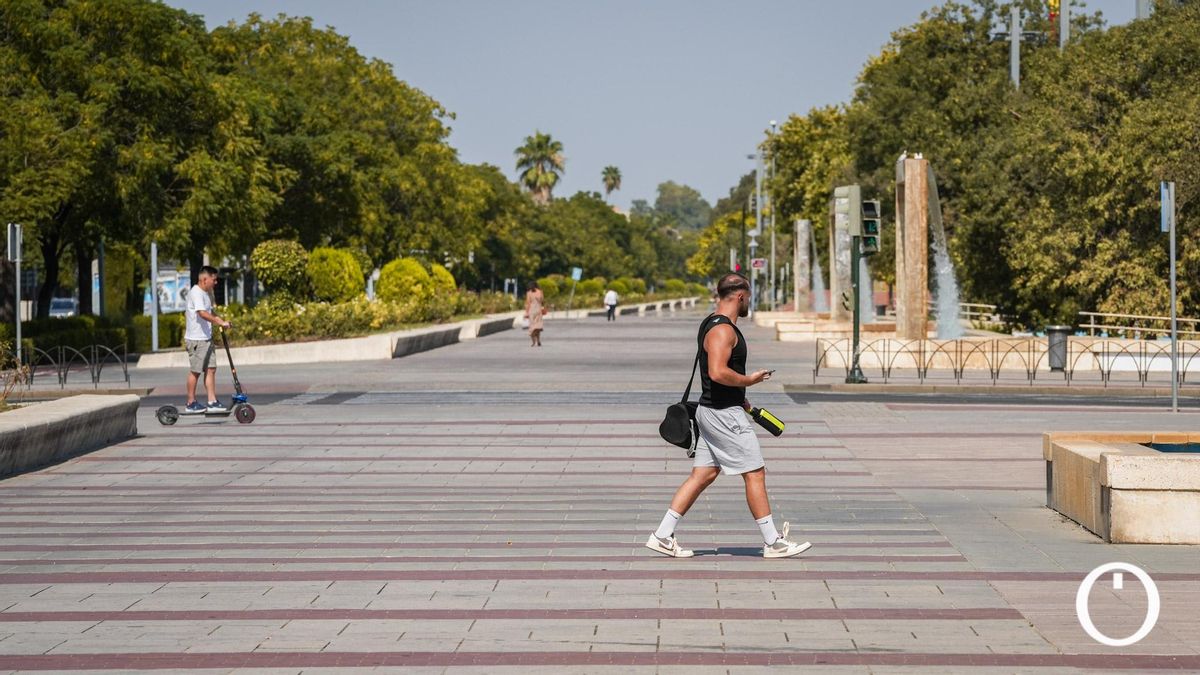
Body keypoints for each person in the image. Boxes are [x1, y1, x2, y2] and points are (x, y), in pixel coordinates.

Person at [646, 272, 811, 559]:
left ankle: (662, 534)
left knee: (704, 474)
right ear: (740, 296)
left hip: (716, 410)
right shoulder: (723, 330)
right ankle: (773, 542)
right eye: (748, 297)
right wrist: (750, 380)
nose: (749, 302)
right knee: (755, 473)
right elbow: (717, 372)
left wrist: (743, 400)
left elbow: (716, 375)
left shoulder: (710, 323)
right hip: (724, 416)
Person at [183, 266, 231, 414]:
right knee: (196, 371)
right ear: (205, 279)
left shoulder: (206, 293)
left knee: (211, 369)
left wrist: (222, 320)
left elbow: (210, 312)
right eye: (214, 279)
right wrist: (219, 323)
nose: (215, 282)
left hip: (206, 339)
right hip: (196, 340)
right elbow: (202, 314)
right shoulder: (196, 293)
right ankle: (190, 403)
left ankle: (212, 401)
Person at [524, 281, 545, 347]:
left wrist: (526, 312)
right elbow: (542, 301)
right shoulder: (540, 292)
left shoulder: (529, 293)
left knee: (532, 327)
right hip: (538, 310)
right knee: (537, 327)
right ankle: (538, 340)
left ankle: (533, 341)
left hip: (532, 311)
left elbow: (528, 303)